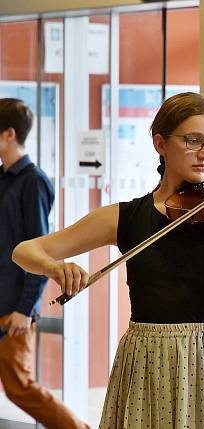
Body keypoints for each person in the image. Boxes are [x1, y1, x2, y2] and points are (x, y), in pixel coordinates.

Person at [13, 92, 204, 428]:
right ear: (160, 143)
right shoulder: (125, 216)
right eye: (193, 141)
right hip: (146, 359)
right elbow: (24, 251)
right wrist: (55, 267)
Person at [0, 98, 90, 429]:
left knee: (20, 387)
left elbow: (40, 252)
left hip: (14, 307)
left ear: (9, 134)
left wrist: (26, 309)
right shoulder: (4, 178)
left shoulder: (32, 181)